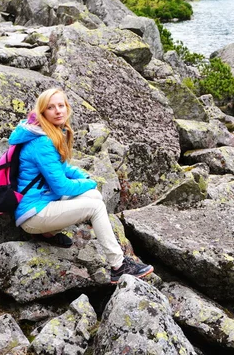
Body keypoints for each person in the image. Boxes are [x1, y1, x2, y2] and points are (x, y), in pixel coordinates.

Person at [8, 88, 153, 284]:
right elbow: (61, 187)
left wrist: (83, 177)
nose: (58, 111)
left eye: (61, 105)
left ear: (67, 108)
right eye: (51, 108)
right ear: (42, 113)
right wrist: (89, 182)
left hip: (42, 202)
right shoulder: (42, 142)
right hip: (33, 214)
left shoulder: (49, 132)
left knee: (94, 196)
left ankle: (48, 233)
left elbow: (62, 166)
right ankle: (118, 266)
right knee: (95, 206)